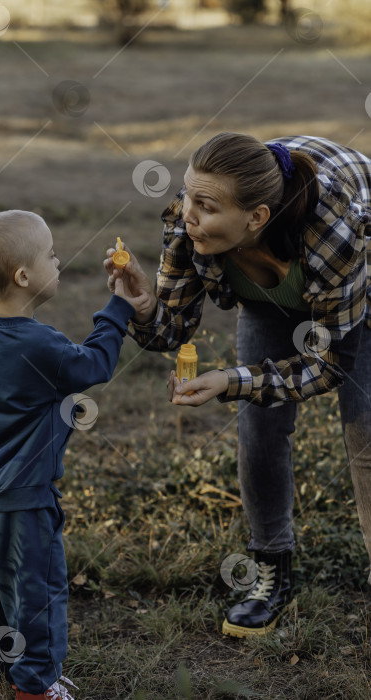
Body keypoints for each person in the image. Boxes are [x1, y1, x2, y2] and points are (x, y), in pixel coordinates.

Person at [104, 132, 371, 638]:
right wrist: (141, 305)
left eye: (205, 205)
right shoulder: (189, 226)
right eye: (187, 196)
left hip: (358, 280)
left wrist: (229, 379)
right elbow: (171, 328)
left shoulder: (337, 230)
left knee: (366, 434)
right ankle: (270, 568)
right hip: (272, 298)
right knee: (260, 424)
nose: (188, 213)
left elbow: (328, 364)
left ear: (257, 218)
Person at [0, 210, 151, 699]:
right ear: (24, 277)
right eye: (50, 254)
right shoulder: (39, 343)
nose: (58, 260)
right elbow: (93, 365)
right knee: (37, 594)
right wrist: (119, 308)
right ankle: (36, 687)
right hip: (24, 497)